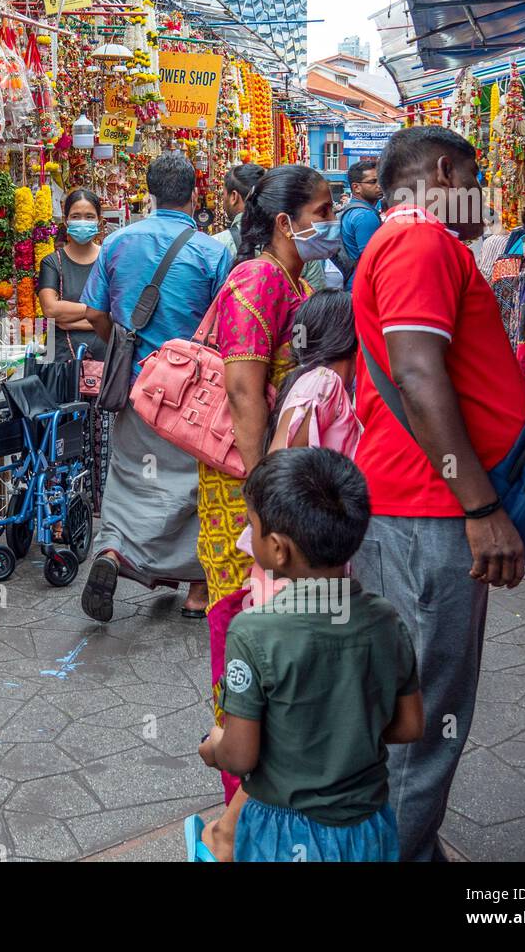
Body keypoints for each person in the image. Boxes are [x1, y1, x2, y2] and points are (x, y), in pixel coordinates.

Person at [352, 125, 525, 862]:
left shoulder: (403, 243)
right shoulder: (422, 241)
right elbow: (418, 374)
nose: (484, 197)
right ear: (446, 169)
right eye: (478, 178)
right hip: (427, 510)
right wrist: (481, 508)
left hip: (417, 504)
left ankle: (402, 846)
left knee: (411, 702)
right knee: (427, 713)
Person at [187, 447, 424, 862]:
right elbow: (408, 725)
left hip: (282, 831)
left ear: (278, 549)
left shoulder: (253, 631)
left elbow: (242, 755)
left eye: (252, 525)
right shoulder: (387, 620)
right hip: (368, 828)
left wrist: (214, 747)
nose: (249, 533)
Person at [209, 287, 362, 808]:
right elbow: (284, 469)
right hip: (295, 564)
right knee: (290, 696)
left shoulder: (316, 382)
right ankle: (240, 823)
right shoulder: (321, 385)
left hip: (298, 558)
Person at [198, 165, 338, 709]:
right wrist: (262, 492)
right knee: (241, 616)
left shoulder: (293, 281)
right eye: (322, 213)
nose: (332, 223)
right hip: (245, 480)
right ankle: (239, 775)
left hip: (273, 476)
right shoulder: (258, 279)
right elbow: (243, 391)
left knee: (273, 615)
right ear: (285, 221)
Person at [80, 151, 232, 621]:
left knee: (128, 480)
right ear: (194, 194)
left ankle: (111, 555)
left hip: (135, 386)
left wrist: (126, 346)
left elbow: (93, 313)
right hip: (192, 394)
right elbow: (225, 327)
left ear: (149, 193)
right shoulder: (212, 251)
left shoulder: (118, 243)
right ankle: (196, 591)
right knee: (192, 488)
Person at [36, 189, 108, 364]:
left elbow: (120, 314)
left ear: (99, 221)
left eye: (89, 216)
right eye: (76, 216)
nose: (82, 221)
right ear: (66, 221)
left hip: (105, 360)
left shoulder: (110, 260)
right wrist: (99, 313)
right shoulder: (52, 263)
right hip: (61, 360)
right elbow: (51, 310)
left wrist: (69, 318)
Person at [334, 158, 383, 286]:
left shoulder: (352, 211)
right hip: (361, 285)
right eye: (373, 182)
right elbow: (373, 261)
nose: (379, 185)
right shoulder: (365, 216)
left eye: (380, 180)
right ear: (356, 187)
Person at [214, 163, 264, 263]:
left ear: (234, 197)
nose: (223, 200)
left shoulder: (216, 244)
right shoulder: (285, 240)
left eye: (223, 194)